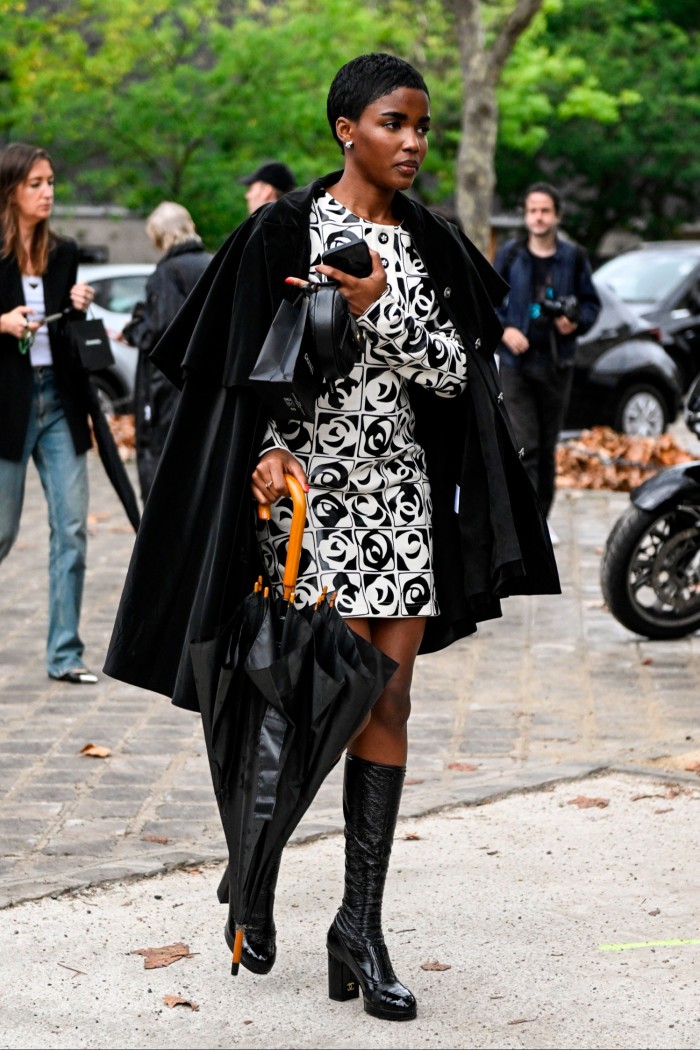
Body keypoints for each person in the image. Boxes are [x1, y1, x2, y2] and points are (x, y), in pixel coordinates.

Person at [104, 54, 560, 1021]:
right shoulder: (287, 228)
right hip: (317, 502)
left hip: (399, 497)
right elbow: (243, 368)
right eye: (395, 123)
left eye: (424, 127)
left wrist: (375, 306)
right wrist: (267, 455)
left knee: (388, 698)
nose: (414, 143)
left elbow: (450, 374)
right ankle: (257, 876)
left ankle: (359, 924)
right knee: (309, 694)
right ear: (346, 128)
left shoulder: (429, 245)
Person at [0, 142, 99, 685]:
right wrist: (2, 323)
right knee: (2, 534)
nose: (47, 192)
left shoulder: (65, 253)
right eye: (36, 183)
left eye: (52, 182)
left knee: (72, 530)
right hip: (8, 406)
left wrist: (79, 310)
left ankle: (65, 653)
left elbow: (76, 340)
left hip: (59, 402)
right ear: (11, 189)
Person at [494, 182, 601, 540]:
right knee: (527, 444)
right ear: (525, 216)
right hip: (515, 364)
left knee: (548, 445)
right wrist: (505, 330)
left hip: (556, 363)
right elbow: (488, 303)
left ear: (556, 215)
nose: (538, 217)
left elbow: (591, 305)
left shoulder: (573, 257)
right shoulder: (510, 255)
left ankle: (541, 520)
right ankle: (525, 522)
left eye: (544, 211)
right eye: (532, 211)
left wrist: (575, 321)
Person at [120, 202, 212, 502]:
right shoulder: (212, 264)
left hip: (169, 390)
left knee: (165, 477)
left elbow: (163, 332)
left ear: (159, 236)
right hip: (206, 386)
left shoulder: (167, 272)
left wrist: (133, 329)